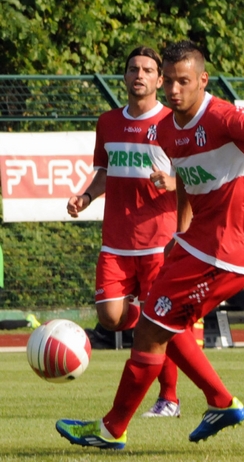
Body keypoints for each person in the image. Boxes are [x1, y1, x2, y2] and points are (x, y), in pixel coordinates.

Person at [55, 40, 244, 450]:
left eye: (183, 82)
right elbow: (187, 186)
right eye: (169, 81)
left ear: (202, 80)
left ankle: (115, 429)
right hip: (197, 247)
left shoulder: (225, 118)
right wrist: (180, 237)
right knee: (157, 328)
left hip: (225, 253)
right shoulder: (167, 131)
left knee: (151, 331)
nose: (174, 90)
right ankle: (218, 403)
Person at [65, 46, 181, 418]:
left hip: (157, 242)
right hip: (116, 241)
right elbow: (104, 173)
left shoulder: (172, 123)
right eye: (134, 69)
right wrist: (85, 196)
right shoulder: (108, 122)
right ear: (125, 76)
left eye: (148, 70)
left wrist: (173, 182)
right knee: (110, 318)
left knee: (157, 324)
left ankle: (169, 399)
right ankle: (143, 316)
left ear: (160, 80)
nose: (140, 76)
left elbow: (195, 177)